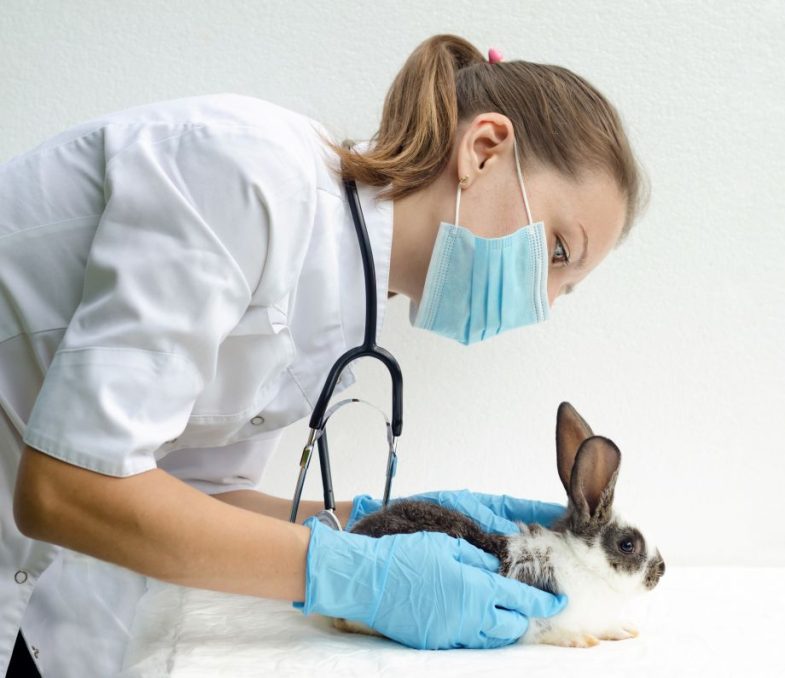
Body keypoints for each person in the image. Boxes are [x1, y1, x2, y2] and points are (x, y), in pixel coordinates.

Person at [0, 34, 648, 676]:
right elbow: (67, 487)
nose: (547, 299)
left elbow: (190, 497)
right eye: (560, 252)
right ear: (484, 150)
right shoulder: (243, 173)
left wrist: (393, 525)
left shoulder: (349, 297)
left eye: (568, 286)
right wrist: (356, 576)